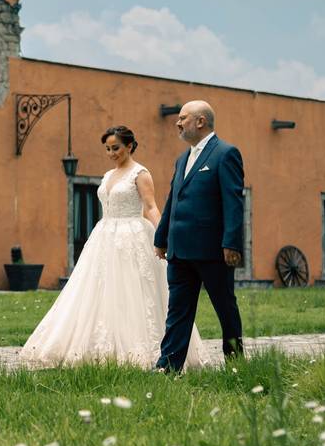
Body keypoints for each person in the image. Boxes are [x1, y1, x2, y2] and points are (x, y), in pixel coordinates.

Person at [20, 126, 207, 369]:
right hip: (104, 237)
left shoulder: (141, 174)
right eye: (107, 149)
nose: (111, 153)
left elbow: (150, 206)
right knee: (97, 292)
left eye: (115, 148)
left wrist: (164, 236)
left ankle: (147, 352)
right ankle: (96, 348)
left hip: (133, 237)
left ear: (129, 146)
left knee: (134, 292)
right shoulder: (108, 175)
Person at [154, 100, 245, 373]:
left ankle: (236, 364)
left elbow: (233, 202)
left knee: (225, 309)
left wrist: (231, 242)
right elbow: (173, 200)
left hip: (212, 251)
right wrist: (161, 238)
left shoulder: (226, 153)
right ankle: (168, 367)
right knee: (177, 312)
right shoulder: (183, 158)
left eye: (183, 118)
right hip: (179, 251)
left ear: (201, 121)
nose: (177, 123)